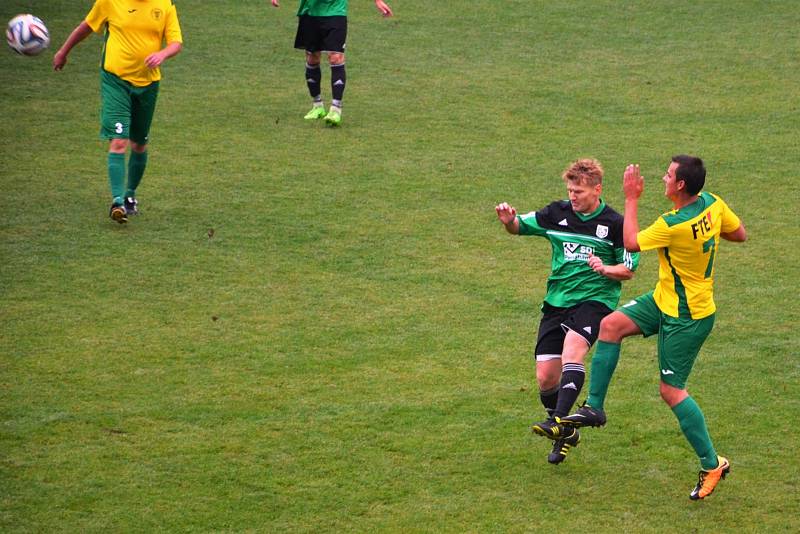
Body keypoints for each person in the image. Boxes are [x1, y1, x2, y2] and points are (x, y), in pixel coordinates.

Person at [560, 156, 747, 500]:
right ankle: (595, 407)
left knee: (671, 391)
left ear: (679, 186)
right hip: (666, 298)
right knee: (611, 325)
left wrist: (632, 198)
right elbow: (739, 233)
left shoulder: (672, 224)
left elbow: (630, 243)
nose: (663, 177)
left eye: (668, 174)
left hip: (687, 317)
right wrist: (705, 239)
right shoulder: (714, 204)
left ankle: (712, 463)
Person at [495, 158, 639, 464]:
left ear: (597, 190)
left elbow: (628, 269)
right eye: (570, 190)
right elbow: (520, 226)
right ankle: (565, 432)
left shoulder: (614, 224)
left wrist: (605, 268)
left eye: (579, 191)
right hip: (556, 301)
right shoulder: (556, 212)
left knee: (574, 349)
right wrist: (508, 221)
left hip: (595, 301)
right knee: (546, 377)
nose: (573, 196)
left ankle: (558, 421)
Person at [53, 0, 183, 224]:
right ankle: (117, 201)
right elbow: (86, 26)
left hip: (148, 84)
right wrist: (64, 51)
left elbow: (176, 42)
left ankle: (130, 195)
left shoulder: (165, 3)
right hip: (116, 81)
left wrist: (162, 55)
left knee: (139, 144)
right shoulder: (110, 1)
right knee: (119, 141)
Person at [270, 0, 393, 126]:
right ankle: (317, 106)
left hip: (335, 12)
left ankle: (336, 109)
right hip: (310, 13)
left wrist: (377, 1)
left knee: (336, 57)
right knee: (312, 57)